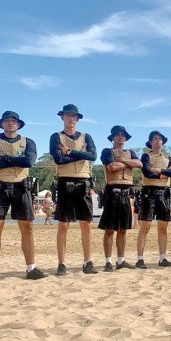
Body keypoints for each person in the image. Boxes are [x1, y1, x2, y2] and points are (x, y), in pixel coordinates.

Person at [0, 110, 45, 283]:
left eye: (13, 121)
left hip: (21, 188)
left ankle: (31, 268)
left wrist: (5, 158)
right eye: (7, 120)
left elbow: (29, 161)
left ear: (18, 124)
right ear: (1, 124)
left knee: (27, 228)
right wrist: (17, 159)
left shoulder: (28, 141)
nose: (10, 123)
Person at [50, 104, 98, 275]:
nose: (71, 118)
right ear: (62, 117)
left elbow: (92, 156)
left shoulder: (86, 137)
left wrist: (69, 152)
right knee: (63, 225)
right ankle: (61, 263)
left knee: (86, 225)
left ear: (77, 119)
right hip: (65, 182)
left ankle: (88, 261)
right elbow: (58, 159)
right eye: (68, 115)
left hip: (84, 183)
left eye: (74, 116)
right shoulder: (56, 137)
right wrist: (80, 154)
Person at [99, 125, 141, 272]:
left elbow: (140, 164)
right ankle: (108, 261)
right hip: (112, 191)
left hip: (126, 192)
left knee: (123, 229)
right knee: (110, 229)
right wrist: (129, 164)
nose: (121, 137)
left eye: (123, 135)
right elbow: (111, 167)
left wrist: (122, 162)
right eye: (117, 135)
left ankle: (121, 260)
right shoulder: (107, 151)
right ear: (112, 138)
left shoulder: (130, 152)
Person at [136, 131, 171, 268]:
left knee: (163, 227)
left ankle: (162, 258)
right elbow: (147, 172)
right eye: (155, 139)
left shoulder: (168, 157)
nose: (157, 141)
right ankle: (140, 259)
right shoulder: (145, 156)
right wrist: (165, 172)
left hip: (164, 193)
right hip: (149, 192)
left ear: (163, 142)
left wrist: (158, 170)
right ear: (150, 142)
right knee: (145, 226)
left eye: (160, 139)